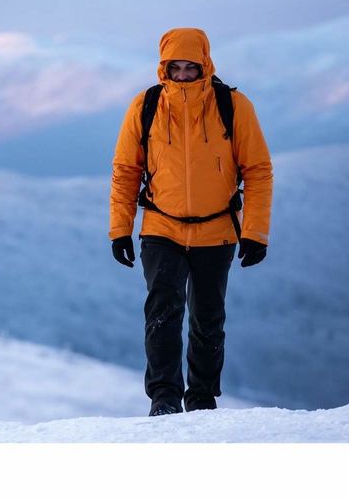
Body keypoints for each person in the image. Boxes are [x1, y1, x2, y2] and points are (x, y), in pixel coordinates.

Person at [109, 27, 273, 417]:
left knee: (208, 318)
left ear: (205, 65)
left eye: (190, 67)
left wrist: (255, 232)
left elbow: (258, 170)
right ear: (163, 68)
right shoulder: (145, 106)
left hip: (217, 230)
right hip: (161, 228)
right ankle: (164, 398)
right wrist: (120, 230)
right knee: (162, 314)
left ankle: (201, 398)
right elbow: (126, 171)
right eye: (175, 67)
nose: (182, 75)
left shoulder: (233, 106)